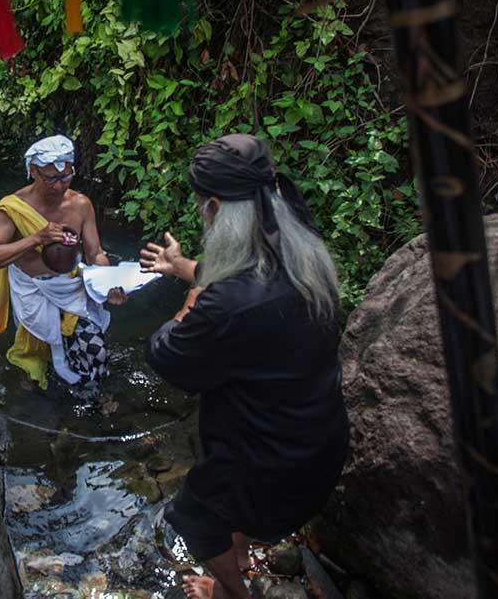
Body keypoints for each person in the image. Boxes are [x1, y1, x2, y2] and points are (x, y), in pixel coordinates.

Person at [140, 134, 349, 599]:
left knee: (194, 520)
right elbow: (251, 290)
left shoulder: (223, 301)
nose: (199, 214)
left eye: (201, 206)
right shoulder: (306, 254)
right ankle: (243, 555)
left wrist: (189, 301)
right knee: (228, 503)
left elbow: (165, 355)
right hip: (320, 441)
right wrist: (183, 268)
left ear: (214, 207)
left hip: (272, 467)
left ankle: (233, 592)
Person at [0, 135, 126, 388]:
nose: (59, 186)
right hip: (32, 289)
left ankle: (92, 400)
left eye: (66, 177)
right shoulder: (13, 209)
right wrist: (36, 237)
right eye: (51, 178)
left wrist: (110, 283)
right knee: (34, 361)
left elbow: (95, 253)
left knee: (96, 351)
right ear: (33, 172)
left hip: (70, 285)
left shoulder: (80, 204)